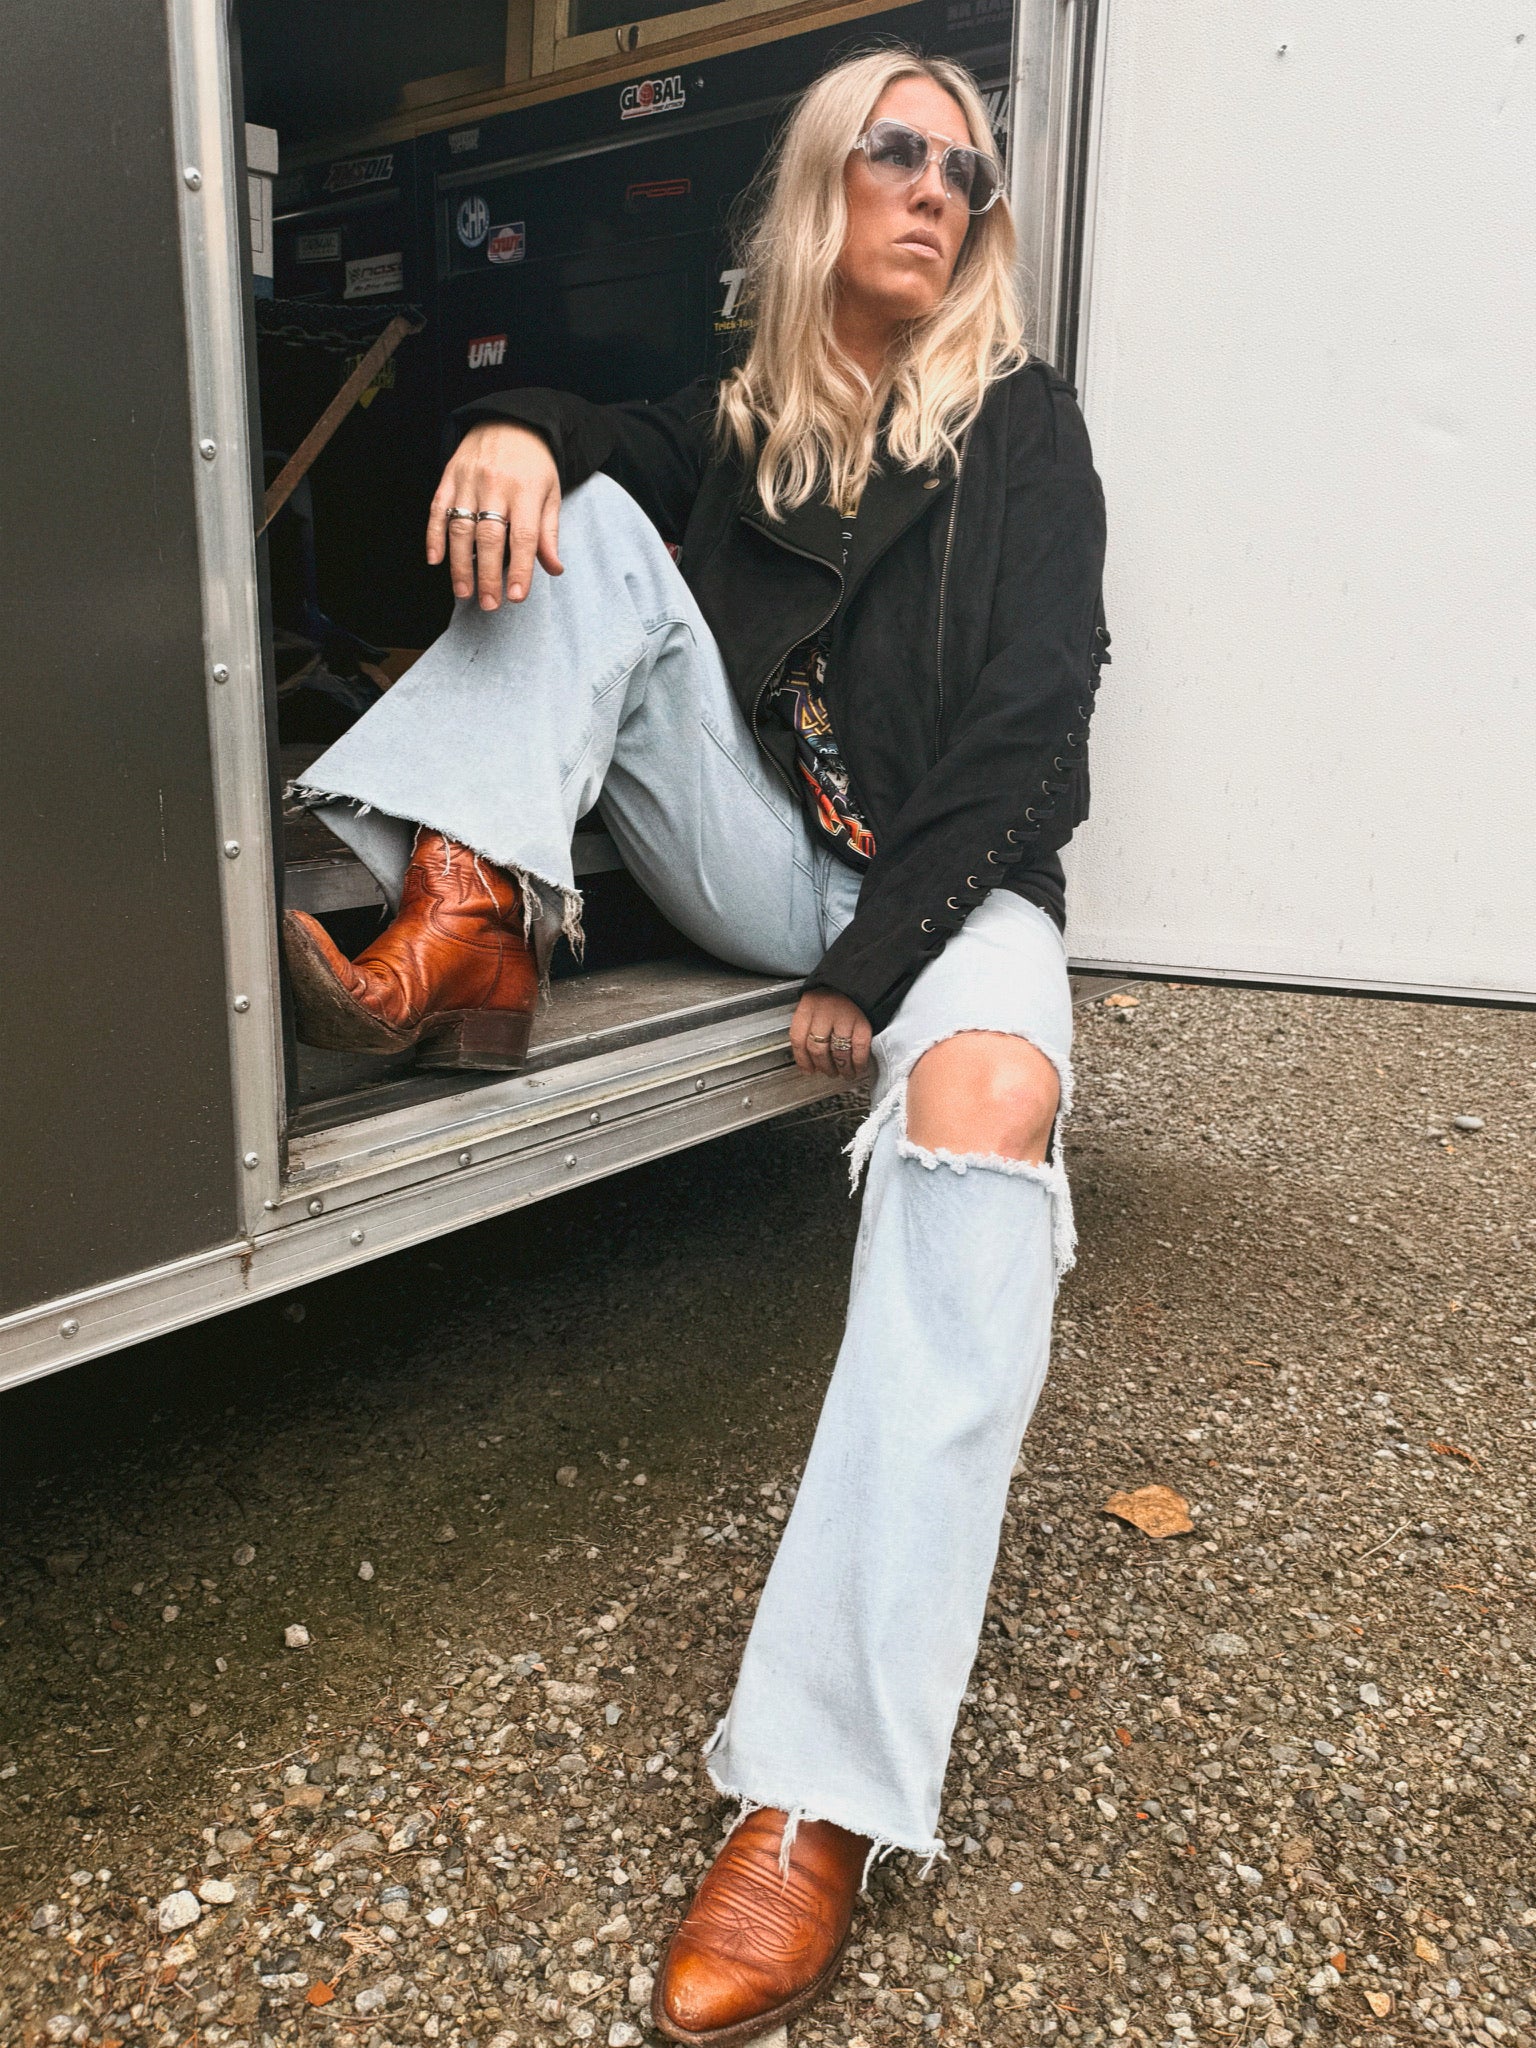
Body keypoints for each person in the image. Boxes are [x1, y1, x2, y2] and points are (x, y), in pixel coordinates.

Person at [284, 44, 1107, 2044]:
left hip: (950, 887)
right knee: (588, 513)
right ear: (826, 182)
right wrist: (510, 428)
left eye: (968, 173)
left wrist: (882, 966)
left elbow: (1037, 731)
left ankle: (816, 1790)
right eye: (897, 153)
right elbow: (601, 436)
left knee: (986, 1112)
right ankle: (465, 914)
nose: (937, 190)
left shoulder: (1025, 427)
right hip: (767, 862)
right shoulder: (748, 409)